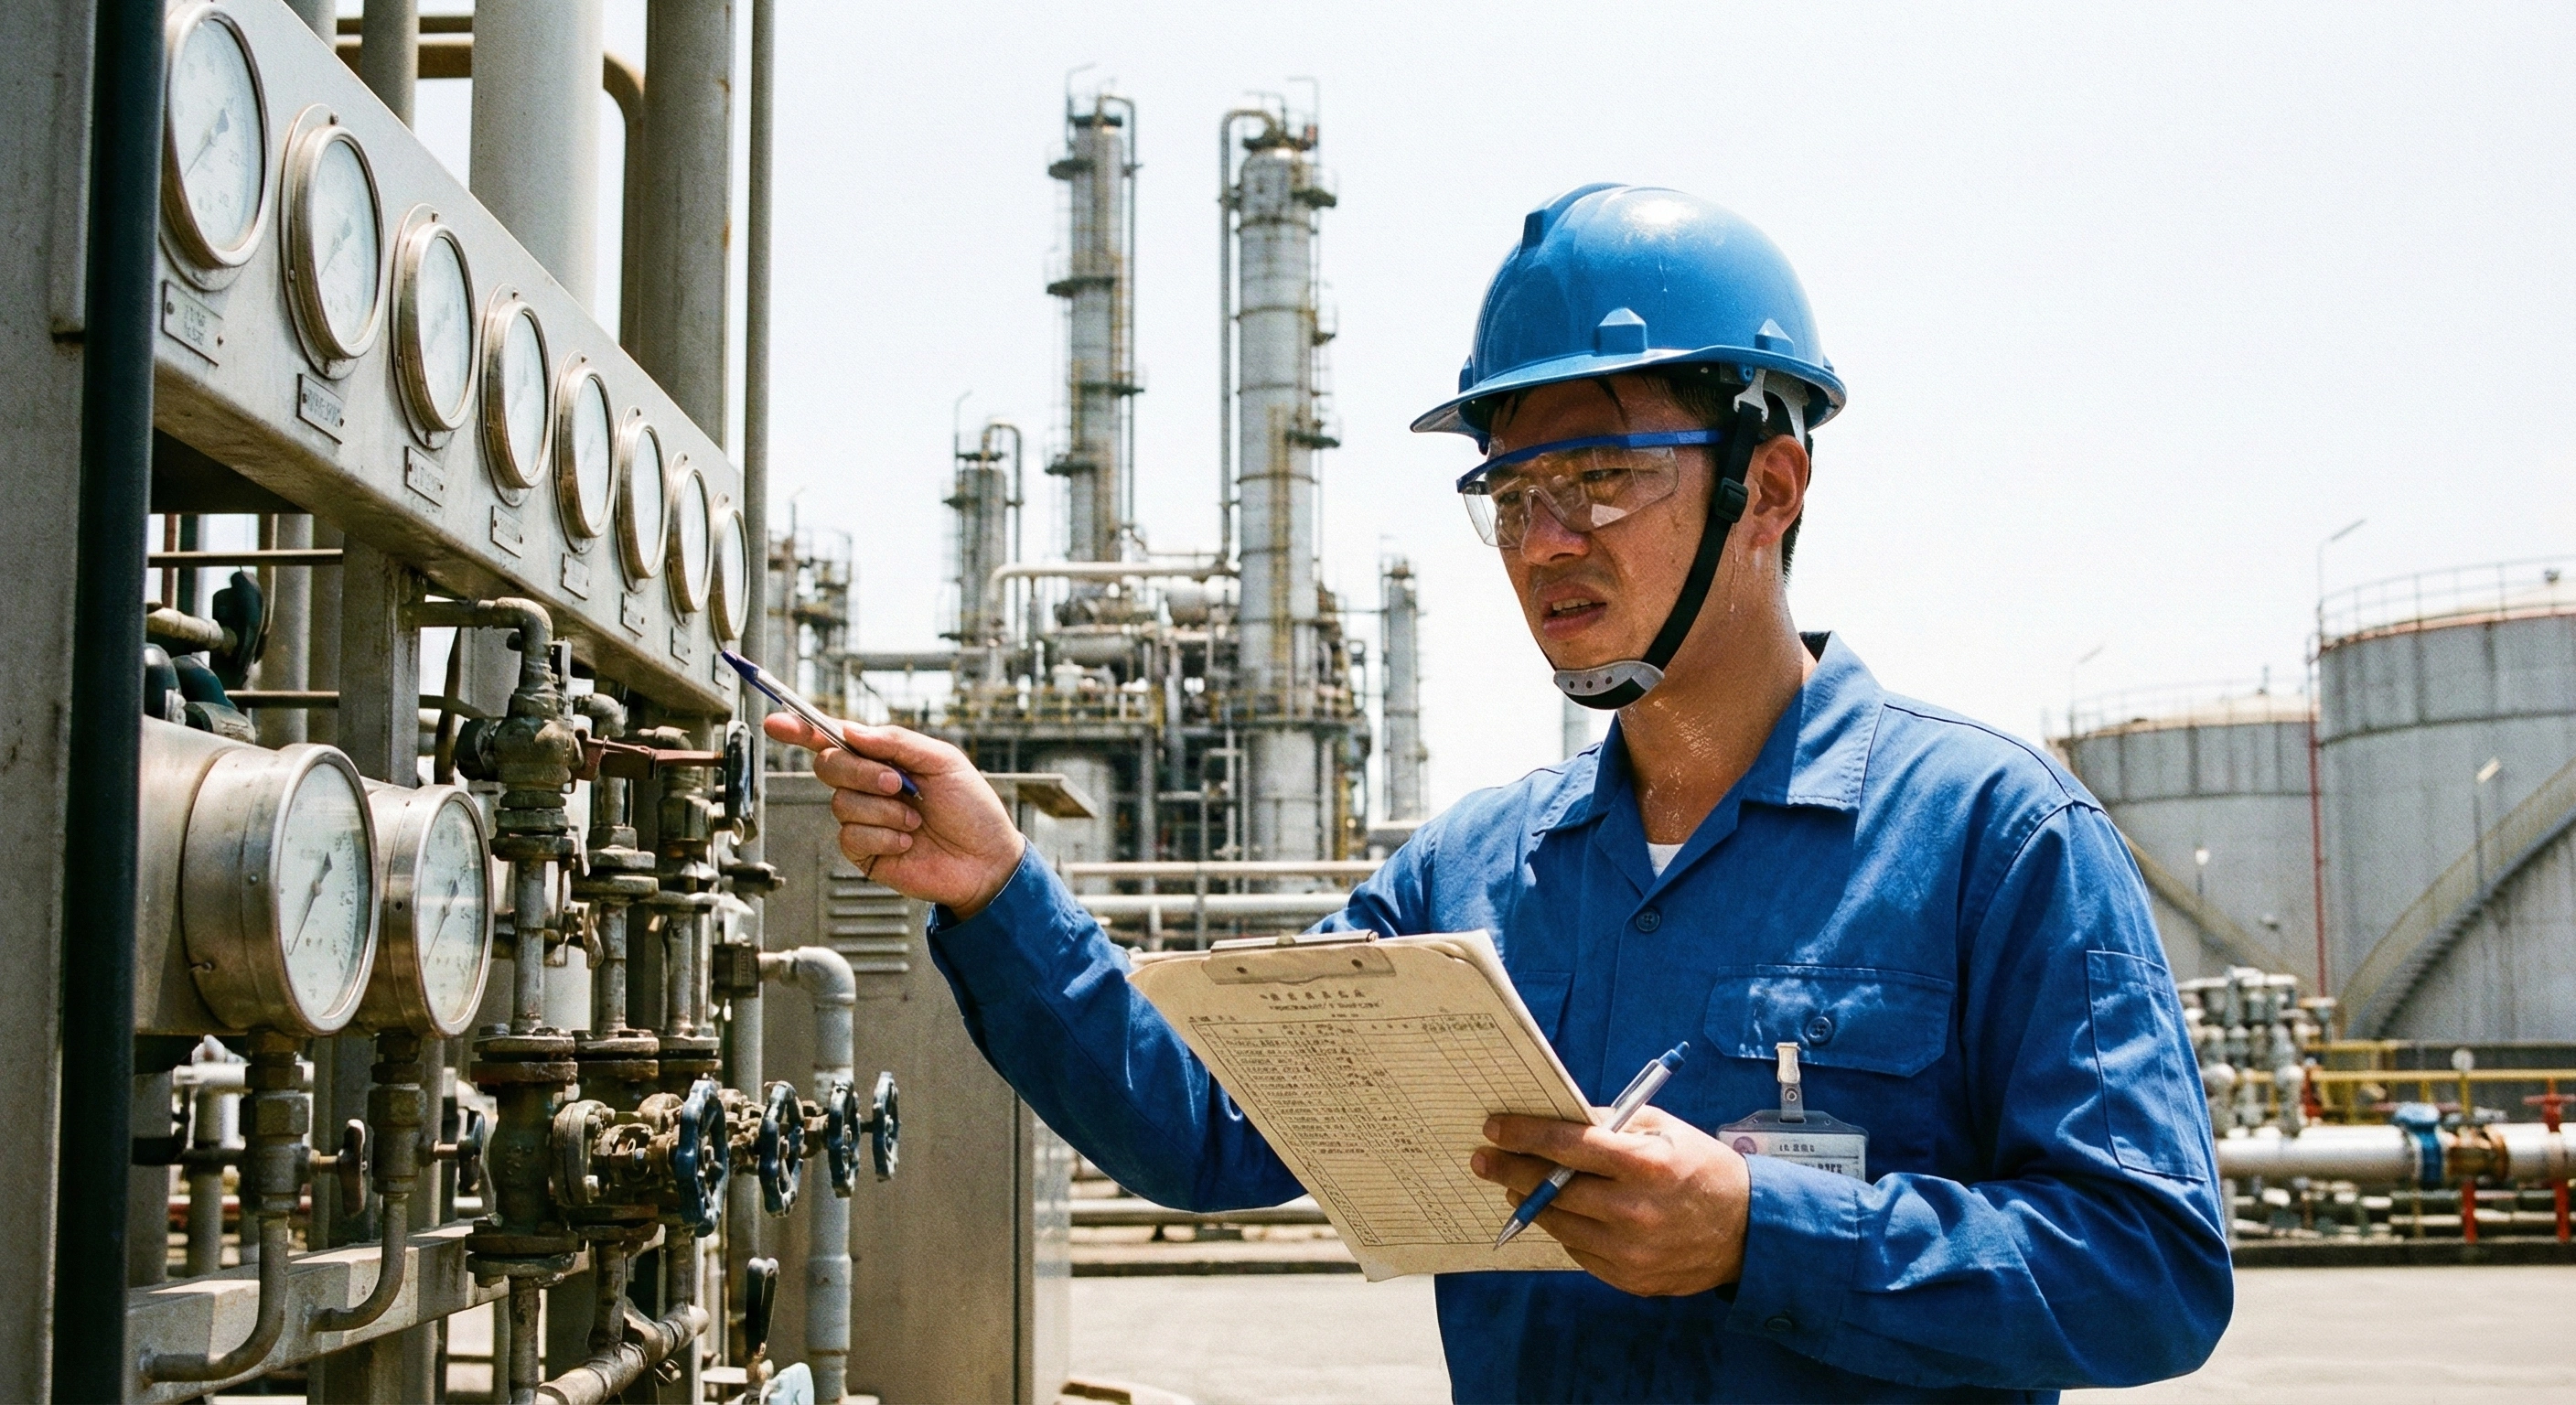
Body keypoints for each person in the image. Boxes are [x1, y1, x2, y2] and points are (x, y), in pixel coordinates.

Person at [768, 184, 2230, 1402]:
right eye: (1514, 497)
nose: (1546, 544)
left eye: (1600, 478)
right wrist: (1000, 893)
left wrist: (1762, 1234)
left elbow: (2152, 1274)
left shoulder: (1992, 835)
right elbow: (1204, 1130)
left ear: (1769, 488)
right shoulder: (1474, 874)